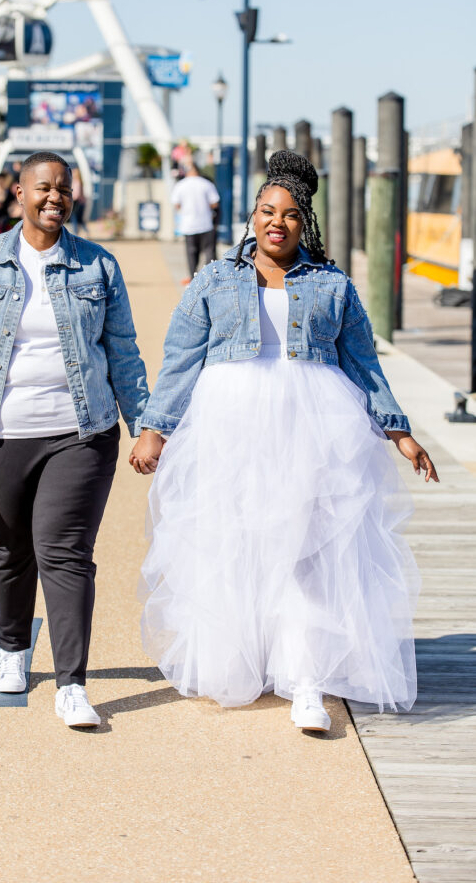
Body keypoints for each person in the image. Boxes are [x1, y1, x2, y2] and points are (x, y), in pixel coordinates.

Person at [130, 150, 438, 734]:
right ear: (251, 216)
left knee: (307, 553)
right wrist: (154, 430)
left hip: (314, 428)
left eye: (291, 214)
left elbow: (364, 365)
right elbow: (179, 361)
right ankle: (238, 663)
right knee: (235, 544)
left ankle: (305, 681)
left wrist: (400, 433)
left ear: (306, 223)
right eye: (267, 210)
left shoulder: (332, 284)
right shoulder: (214, 280)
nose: (278, 221)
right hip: (230, 428)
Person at [0, 150, 149, 728]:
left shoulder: (98, 266)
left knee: (65, 553)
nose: (55, 198)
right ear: (18, 194)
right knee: (11, 546)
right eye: (43, 188)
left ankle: (72, 683)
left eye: (64, 189)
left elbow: (123, 352)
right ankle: (13, 647)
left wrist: (144, 425)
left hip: (81, 431)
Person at [171, 163, 219, 285]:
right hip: (205, 223)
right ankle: (212, 278)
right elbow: (214, 203)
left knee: (191, 253)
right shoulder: (206, 184)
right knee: (209, 252)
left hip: (189, 225)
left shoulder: (180, 185)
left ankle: (193, 279)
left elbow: (176, 204)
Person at [70, 167, 90, 237]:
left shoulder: (76, 182)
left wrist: (71, 198)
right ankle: (86, 232)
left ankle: (75, 233)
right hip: (81, 203)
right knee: (80, 219)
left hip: (77, 202)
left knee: (74, 217)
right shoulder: (80, 182)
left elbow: (76, 194)